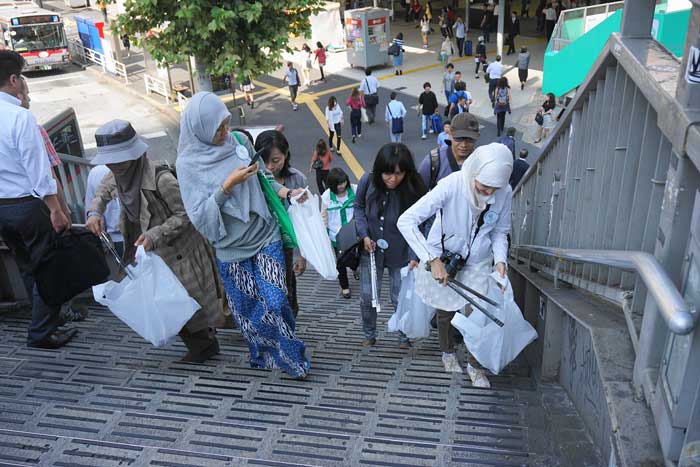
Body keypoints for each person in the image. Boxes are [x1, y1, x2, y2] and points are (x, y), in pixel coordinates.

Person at [175, 92, 309, 378]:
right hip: (230, 247)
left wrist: (287, 192)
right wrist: (226, 187)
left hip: (264, 234)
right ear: (199, 130)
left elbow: (264, 178)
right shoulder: (187, 165)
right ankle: (262, 354)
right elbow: (199, 216)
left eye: (226, 123)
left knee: (276, 300)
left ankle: (293, 359)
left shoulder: (240, 141)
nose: (225, 133)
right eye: (218, 129)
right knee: (247, 308)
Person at [85, 118, 229, 363]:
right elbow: (102, 191)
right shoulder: (119, 175)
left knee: (184, 300)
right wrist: (94, 212)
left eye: (118, 159)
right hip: (153, 252)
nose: (113, 165)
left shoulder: (161, 179)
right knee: (172, 301)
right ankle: (205, 342)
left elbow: (185, 214)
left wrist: (154, 235)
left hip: (180, 250)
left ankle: (205, 346)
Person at [397, 143, 513, 388]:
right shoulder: (452, 184)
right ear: (474, 173)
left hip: (479, 261)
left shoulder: (505, 192)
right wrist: (431, 258)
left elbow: (500, 231)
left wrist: (500, 260)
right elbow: (406, 221)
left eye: (494, 190)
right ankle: (448, 352)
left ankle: (475, 364)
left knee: (478, 313)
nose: (488, 194)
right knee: (445, 309)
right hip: (443, 256)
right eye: (483, 188)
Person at [0, 50, 76, 349]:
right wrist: (56, 209)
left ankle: (46, 321)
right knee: (47, 266)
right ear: (14, 79)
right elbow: (39, 170)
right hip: (26, 206)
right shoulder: (20, 117)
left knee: (27, 265)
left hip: (2, 208)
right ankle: (42, 332)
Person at [354, 143, 427, 348]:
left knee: (400, 296)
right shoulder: (367, 181)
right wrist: (364, 234)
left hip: (402, 252)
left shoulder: (414, 188)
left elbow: (422, 222)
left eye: (398, 174)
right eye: (387, 174)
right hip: (371, 250)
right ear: (379, 171)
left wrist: (415, 254)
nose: (392, 179)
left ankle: (404, 336)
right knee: (367, 297)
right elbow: (358, 207)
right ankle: (369, 334)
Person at [256, 130, 307, 318]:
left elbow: (304, 222)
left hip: (287, 248)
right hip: (262, 247)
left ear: (286, 155)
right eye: (264, 160)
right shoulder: (254, 181)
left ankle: (288, 328)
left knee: (287, 289)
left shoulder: (297, 179)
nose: (269, 167)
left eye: (276, 160)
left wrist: (302, 256)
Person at [418, 112, 480, 190]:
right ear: (450, 135)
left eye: (470, 139)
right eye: (458, 138)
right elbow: (417, 194)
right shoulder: (433, 161)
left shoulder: (483, 162)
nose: (464, 144)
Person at [320, 168, 357, 299]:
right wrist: (324, 237)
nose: (342, 186)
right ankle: (344, 286)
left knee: (355, 258)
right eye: (339, 184)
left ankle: (354, 268)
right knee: (340, 263)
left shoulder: (355, 190)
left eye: (344, 182)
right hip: (336, 236)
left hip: (354, 234)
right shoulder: (326, 197)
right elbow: (323, 217)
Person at [85, 165, 123, 256]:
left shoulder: (96, 171)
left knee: (127, 268)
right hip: (141, 232)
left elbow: (91, 201)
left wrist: (94, 214)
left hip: (116, 234)